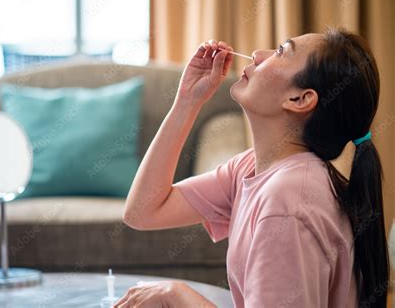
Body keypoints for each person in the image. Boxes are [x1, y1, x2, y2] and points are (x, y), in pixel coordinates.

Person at [115, 28, 389, 308]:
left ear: (299, 99)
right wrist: (187, 101)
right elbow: (143, 211)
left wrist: (175, 295)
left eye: (281, 51)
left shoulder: (288, 199)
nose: (258, 55)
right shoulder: (250, 168)